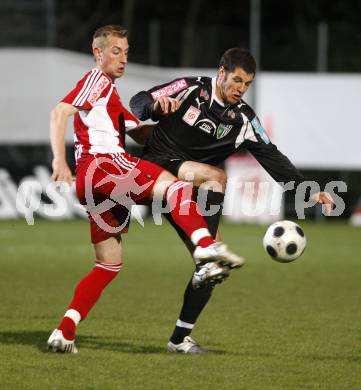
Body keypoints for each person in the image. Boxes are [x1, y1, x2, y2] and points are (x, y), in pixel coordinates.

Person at [46, 25, 244, 354]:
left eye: (126, 51)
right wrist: (58, 161)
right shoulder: (96, 81)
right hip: (105, 165)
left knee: (108, 263)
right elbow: (59, 112)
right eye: (115, 51)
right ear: (98, 53)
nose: (122, 58)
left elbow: (143, 134)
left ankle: (64, 331)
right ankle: (206, 249)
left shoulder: (111, 97)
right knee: (175, 188)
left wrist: (167, 111)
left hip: (93, 184)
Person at [129, 47, 335, 353]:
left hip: (190, 194)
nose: (241, 88)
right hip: (157, 171)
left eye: (247, 83)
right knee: (216, 178)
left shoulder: (243, 120)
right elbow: (139, 100)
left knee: (214, 270)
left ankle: (179, 339)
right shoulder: (191, 87)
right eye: (237, 79)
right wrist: (154, 107)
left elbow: (271, 156)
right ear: (221, 72)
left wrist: (307, 190)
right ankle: (207, 249)